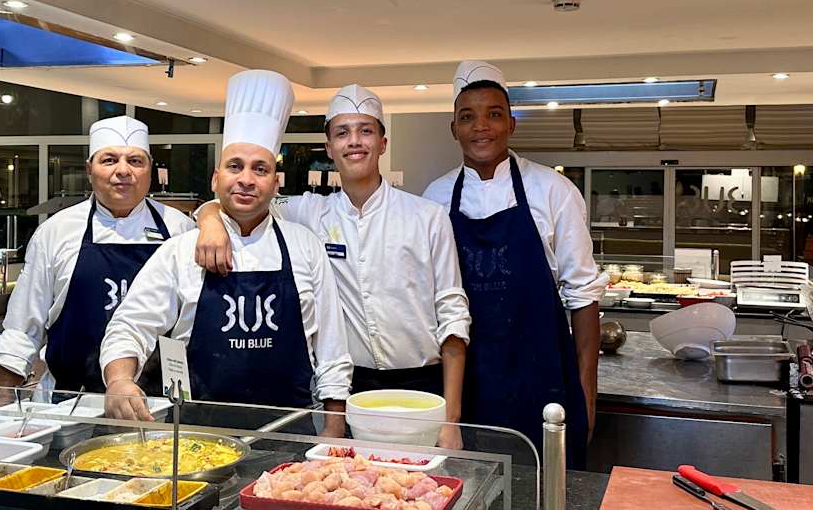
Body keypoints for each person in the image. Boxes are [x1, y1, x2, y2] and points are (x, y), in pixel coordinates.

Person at [192, 84, 469, 444]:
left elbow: (453, 315)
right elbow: (245, 199)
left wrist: (451, 419)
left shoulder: (428, 217)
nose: (354, 141)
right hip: (347, 389)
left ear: (383, 143)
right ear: (329, 147)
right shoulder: (308, 211)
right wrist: (209, 217)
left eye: (365, 130)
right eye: (342, 132)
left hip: (422, 386)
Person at [100, 70, 351, 427]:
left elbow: (331, 347)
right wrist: (120, 379)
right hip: (198, 432)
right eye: (235, 166)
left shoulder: (304, 245)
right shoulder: (180, 250)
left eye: (260, 169)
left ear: (275, 184)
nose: (246, 179)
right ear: (216, 179)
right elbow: (130, 324)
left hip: (291, 431)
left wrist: (334, 426)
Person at [423, 61, 606, 465]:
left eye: (493, 114)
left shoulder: (553, 190)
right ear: (454, 129)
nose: (480, 126)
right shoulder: (434, 198)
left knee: (543, 490)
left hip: (541, 381)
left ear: (511, 124)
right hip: (464, 383)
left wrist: (586, 395)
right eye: (467, 117)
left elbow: (583, 296)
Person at [0, 116, 193, 395]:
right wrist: (1, 402)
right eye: (109, 160)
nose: (123, 171)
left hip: (161, 401)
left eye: (135, 161)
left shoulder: (180, 229)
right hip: (71, 400)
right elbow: (23, 327)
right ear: (89, 169)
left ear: (150, 170)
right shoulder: (56, 231)